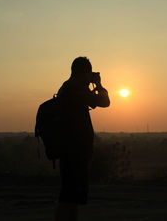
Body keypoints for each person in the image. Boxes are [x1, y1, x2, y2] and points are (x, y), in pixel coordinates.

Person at [55, 56, 110, 221]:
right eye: (89, 74)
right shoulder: (76, 88)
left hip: (69, 147)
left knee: (70, 194)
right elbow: (105, 102)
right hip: (75, 149)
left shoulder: (68, 87)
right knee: (70, 195)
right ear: (85, 73)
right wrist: (99, 85)